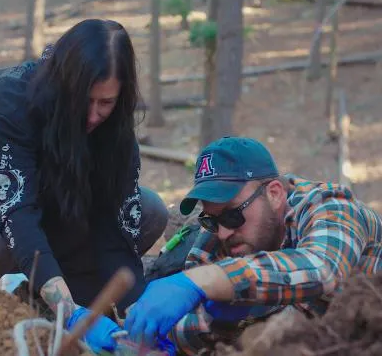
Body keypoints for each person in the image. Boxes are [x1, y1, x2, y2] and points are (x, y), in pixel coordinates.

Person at [0, 19, 169, 353]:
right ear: (63, 83)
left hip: (27, 212)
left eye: (105, 103)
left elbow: (115, 230)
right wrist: (71, 313)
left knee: (148, 209)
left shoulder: (113, 130)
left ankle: (45, 308)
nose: (93, 116)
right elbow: (18, 215)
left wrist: (133, 315)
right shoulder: (7, 101)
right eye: (84, 101)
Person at [125, 135, 382, 353]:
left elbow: (324, 268)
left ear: (274, 194)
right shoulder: (216, 238)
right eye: (213, 220)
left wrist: (200, 282)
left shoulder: (331, 208)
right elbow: (188, 328)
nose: (223, 233)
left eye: (233, 215)